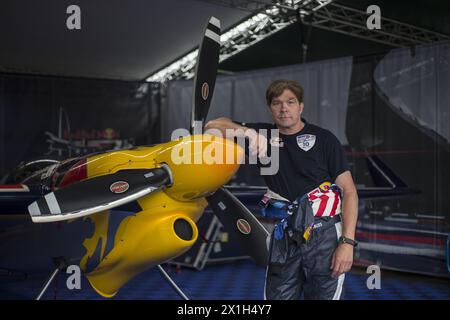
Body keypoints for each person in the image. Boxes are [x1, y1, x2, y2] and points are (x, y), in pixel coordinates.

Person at [205, 79, 358, 300]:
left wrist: (347, 243)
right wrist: (248, 133)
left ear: (301, 106)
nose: (284, 108)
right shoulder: (263, 136)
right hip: (285, 236)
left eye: (290, 102)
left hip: (324, 235)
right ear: (270, 108)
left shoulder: (325, 139)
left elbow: (350, 192)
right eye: (277, 103)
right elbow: (213, 124)